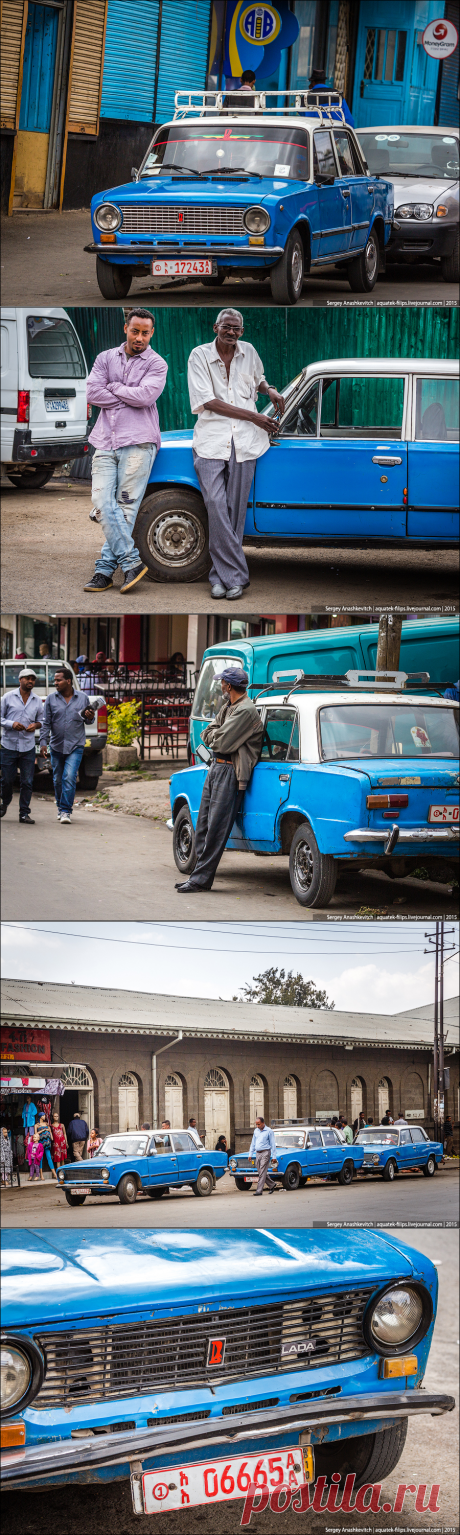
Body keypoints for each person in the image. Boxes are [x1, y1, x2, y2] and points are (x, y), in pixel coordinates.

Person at [187, 309, 285, 598]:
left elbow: (258, 379)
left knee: (234, 511)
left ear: (242, 331)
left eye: (237, 329)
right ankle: (238, 575)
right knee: (215, 504)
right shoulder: (199, 356)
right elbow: (209, 401)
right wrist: (255, 417)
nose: (231, 332)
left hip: (245, 443)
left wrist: (271, 390)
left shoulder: (249, 352)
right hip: (210, 440)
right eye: (227, 327)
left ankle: (219, 577)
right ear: (216, 326)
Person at [83, 309, 168, 595]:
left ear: (151, 333)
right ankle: (131, 563)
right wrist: (127, 394)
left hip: (139, 442)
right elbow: (93, 393)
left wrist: (115, 387)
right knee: (101, 502)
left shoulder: (157, 364)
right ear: (125, 329)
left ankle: (104, 572)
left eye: (145, 333)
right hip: (105, 441)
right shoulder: (106, 358)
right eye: (135, 331)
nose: (139, 337)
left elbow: (146, 396)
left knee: (125, 508)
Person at [176, 665, 264, 893]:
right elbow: (209, 734)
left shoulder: (245, 710)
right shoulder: (229, 706)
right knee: (203, 825)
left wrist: (214, 736)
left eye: (222, 682)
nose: (220, 685)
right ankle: (197, 875)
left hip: (230, 772)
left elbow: (220, 742)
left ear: (229, 685)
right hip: (216, 766)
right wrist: (215, 735)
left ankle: (200, 880)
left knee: (216, 828)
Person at [39, 664, 95, 823]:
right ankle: (60, 807)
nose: (55, 683)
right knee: (57, 779)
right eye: (54, 680)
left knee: (69, 777)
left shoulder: (82, 698)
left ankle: (65, 811)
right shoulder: (51, 699)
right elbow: (46, 723)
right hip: (56, 745)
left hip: (75, 745)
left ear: (69, 681)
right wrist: (43, 742)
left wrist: (90, 717)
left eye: (58, 680)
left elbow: (88, 721)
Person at [1, 666, 43, 823]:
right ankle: (5, 802)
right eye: (27, 678)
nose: (30, 681)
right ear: (20, 680)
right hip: (8, 746)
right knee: (6, 780)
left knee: (27, 782)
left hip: (27, 747)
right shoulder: (8, 697)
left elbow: (43, 720)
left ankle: (24, 813)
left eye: (33, 679)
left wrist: (36, 725)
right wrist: (12, 724)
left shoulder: (37, 700)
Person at [249, 1116, 278, 1195]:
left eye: (259, 1124)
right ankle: (272, 1184)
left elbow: (273, 1144)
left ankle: (259, 1190)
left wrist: (274, 1156)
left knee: (262, 1171)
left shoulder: (269, 1131)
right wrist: (250, 1154)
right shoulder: (256, 1131)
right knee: (261, 1171)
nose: (257, 1126)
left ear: (263, 1123)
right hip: (257, 1153)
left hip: (266, 1152)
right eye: (256, 1124)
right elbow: (253, 1143)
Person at [37, 1114, 58, 1181]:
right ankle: (41, 1175)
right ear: (40, 1116)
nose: (44, 1117)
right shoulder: (37, 1125)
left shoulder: (46, 1124)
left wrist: (51, 1136)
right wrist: (43, 1130)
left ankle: (55, 1174)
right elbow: (36, 1134)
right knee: (41, 1158)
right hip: (40, 1143)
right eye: (43, 1115)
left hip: (47, 1143)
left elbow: (50, 1131)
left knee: (49, 1158)